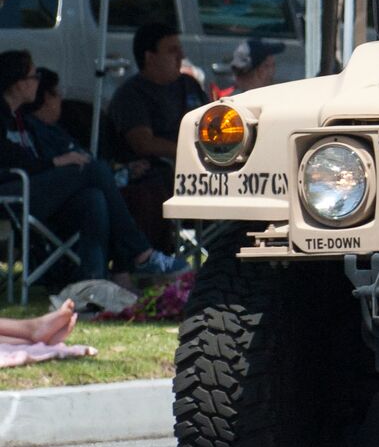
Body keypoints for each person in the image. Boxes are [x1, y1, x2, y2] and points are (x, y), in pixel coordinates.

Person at [0, 51, 184, 281]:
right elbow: (7, 157)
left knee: (93, 198)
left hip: (30, 189)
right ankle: (141, 253)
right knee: (93, 170)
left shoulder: (21, 118)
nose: (37, 80)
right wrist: (55, 162)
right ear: (17, 83)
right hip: (11, 192)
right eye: (33, 75)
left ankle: (93, 284)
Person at [106, 22, 207, 246]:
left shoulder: (188, 85)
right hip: (157, 173)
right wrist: (193, 153)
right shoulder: (131, 95)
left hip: (203, 169)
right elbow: (144, 143)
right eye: (172, 50)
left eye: (179, 49)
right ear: (149, 57)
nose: (181, 56)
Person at [213, 37, 283, 97]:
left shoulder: (227, 104)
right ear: (261, 70)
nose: (274, 70)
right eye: (272, 65)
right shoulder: (275, 103)